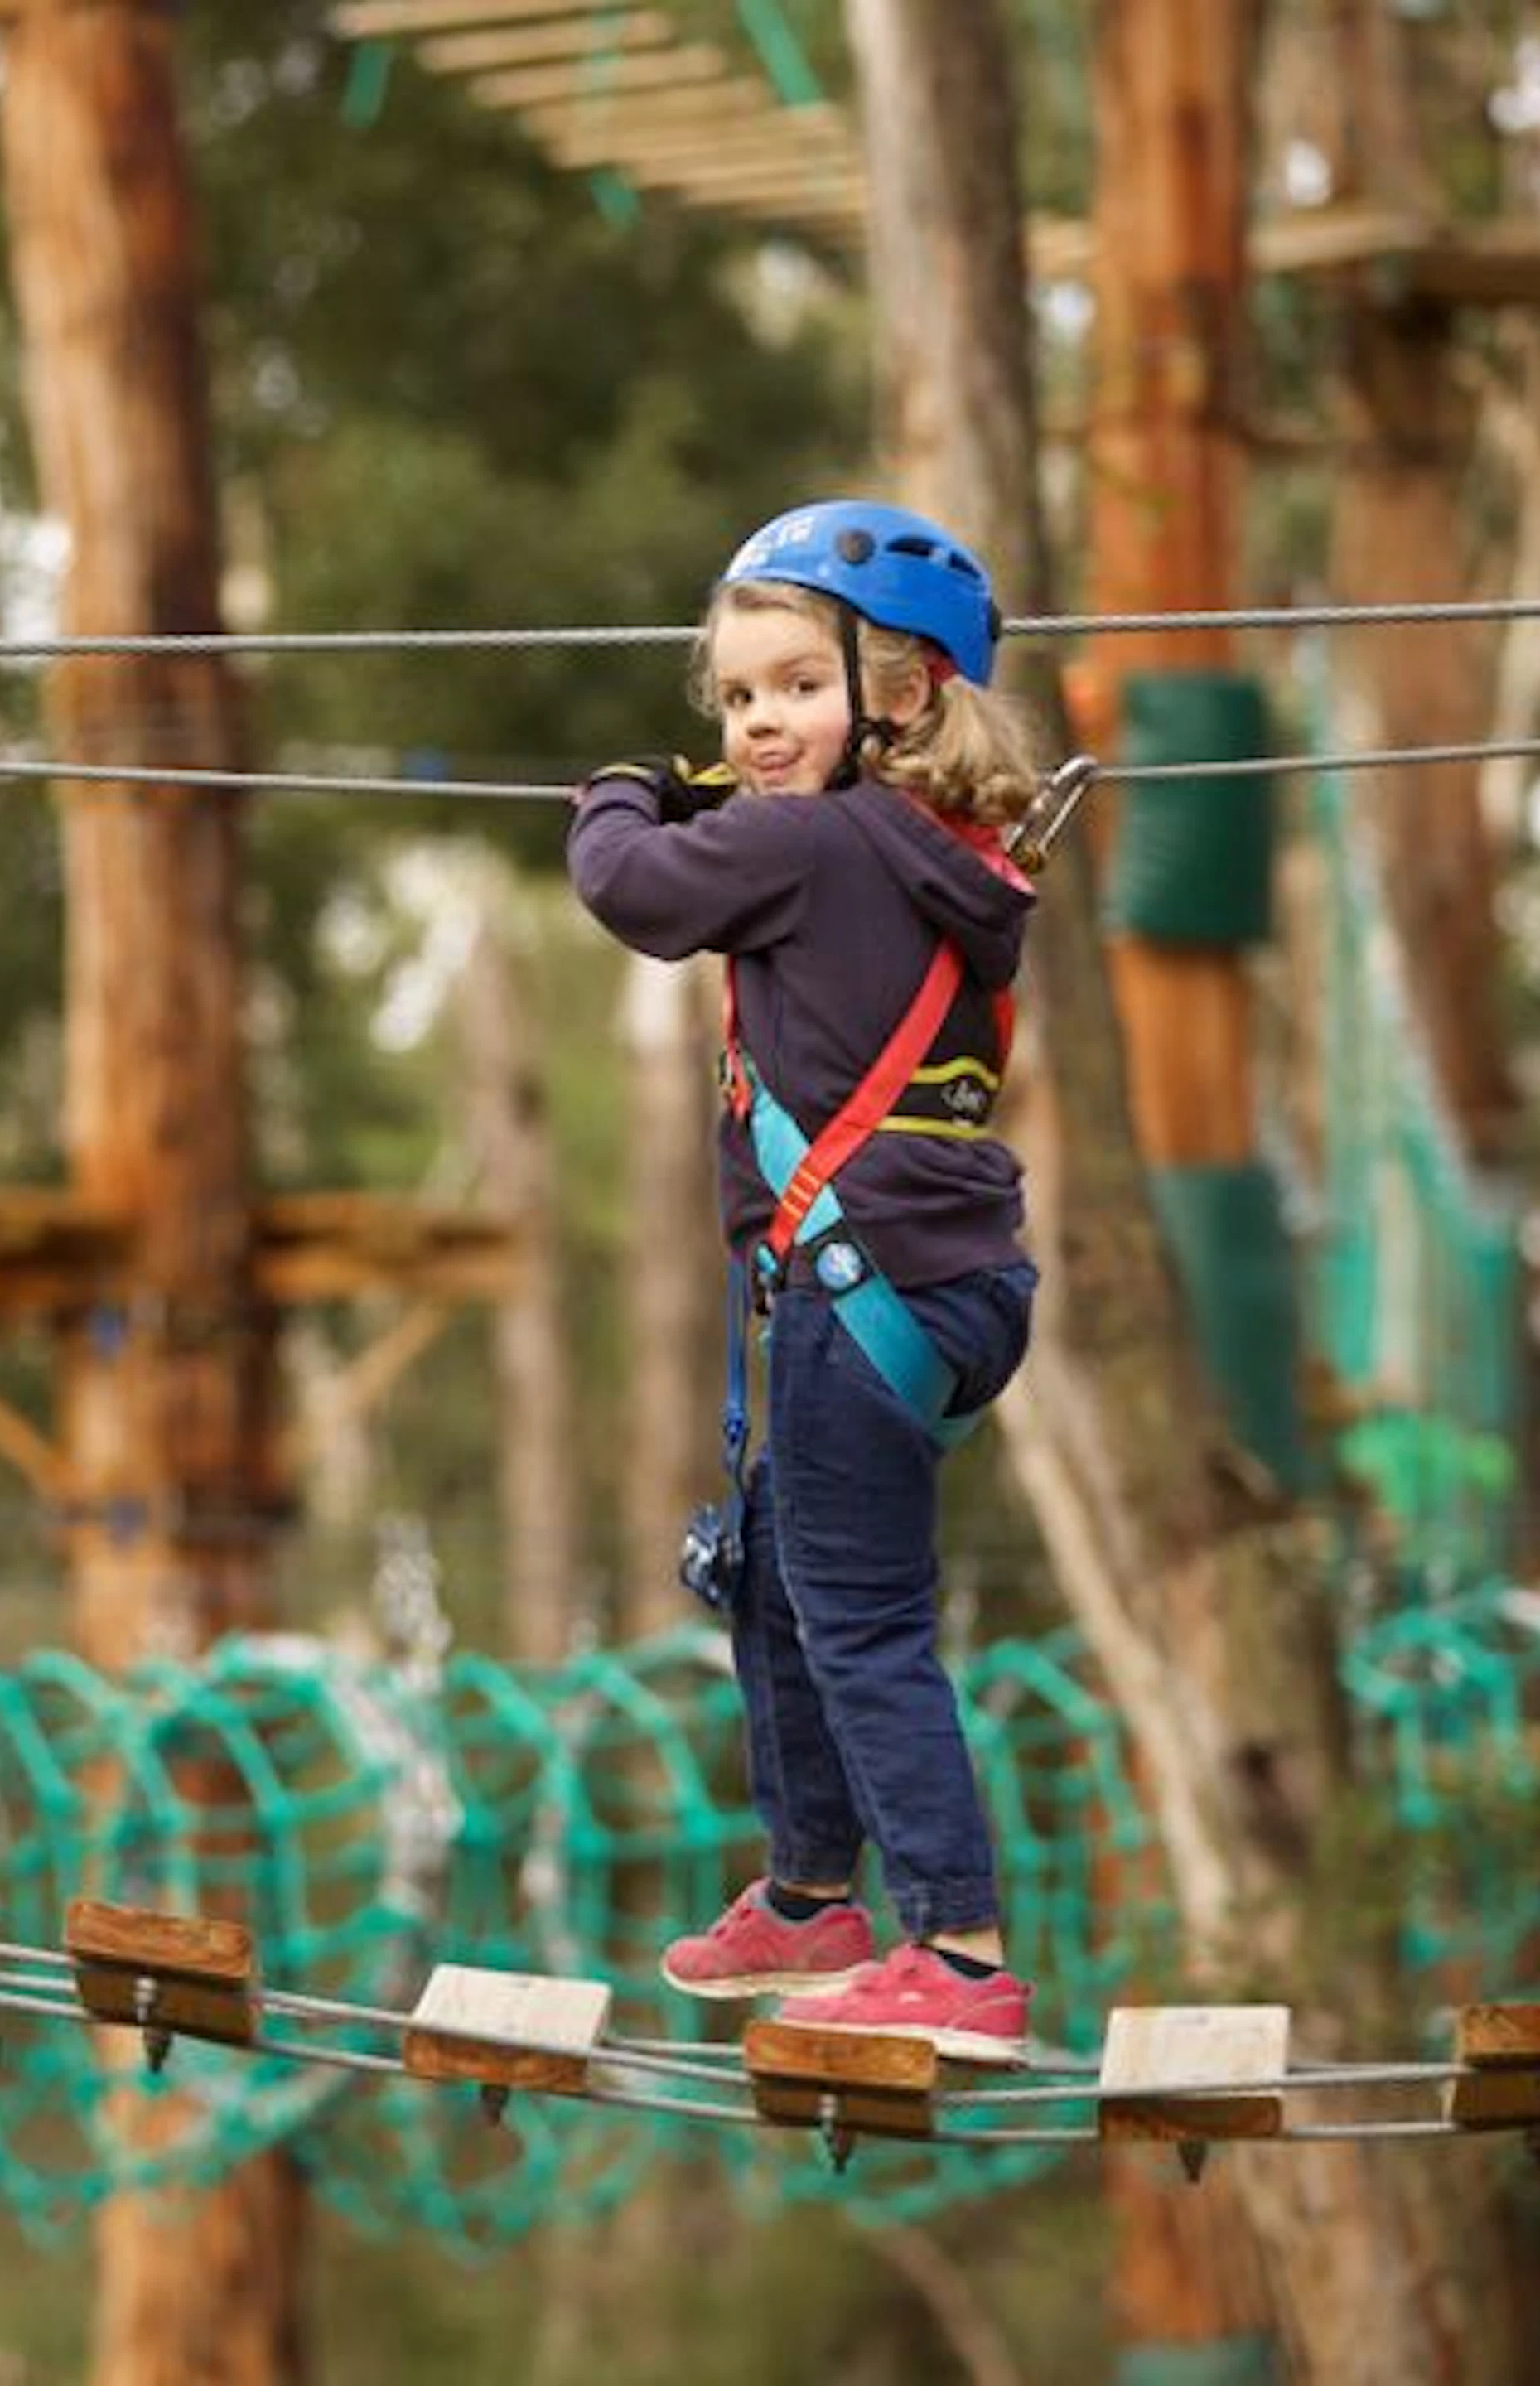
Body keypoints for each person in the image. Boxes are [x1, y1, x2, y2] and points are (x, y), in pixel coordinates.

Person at [565, 497, 1050, 2065]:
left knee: (858, 1616)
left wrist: (624, 787)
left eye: (795, 688)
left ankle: (958, 1951)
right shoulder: (941, 848)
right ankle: (810, 1893)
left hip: (867, 1289)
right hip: (939, 1287)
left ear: (900, 696)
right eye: (735, 699)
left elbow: (632, 885)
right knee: (785, 1575)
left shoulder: (809, 840)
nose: (759, 725)